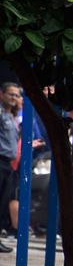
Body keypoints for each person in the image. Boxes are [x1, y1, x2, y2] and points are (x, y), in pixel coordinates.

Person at [0, 82, 20, 252]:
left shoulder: (11, 116)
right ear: (2, 94)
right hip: (0, 162)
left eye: (16, 95)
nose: (14, 98)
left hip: (8, 164)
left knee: (3, 203)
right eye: (11, 94)